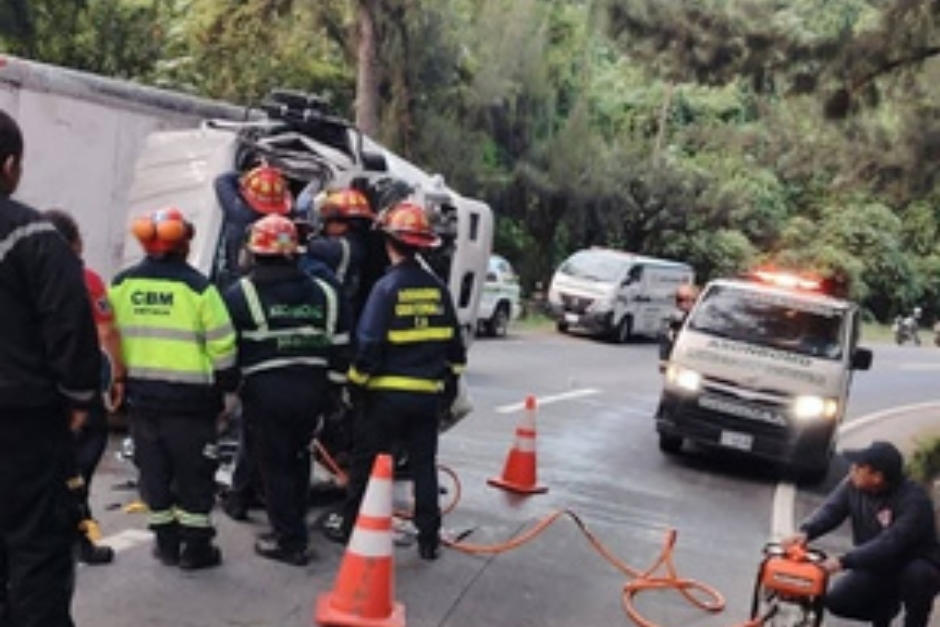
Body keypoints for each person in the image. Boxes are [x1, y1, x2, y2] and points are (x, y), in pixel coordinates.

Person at [0, 110, 100, 626]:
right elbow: (70, 326)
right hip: (23, 426)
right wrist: (80, 398)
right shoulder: (35, 237)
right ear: (10, 164)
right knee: (36, 549)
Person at [330, 202, 466, 560]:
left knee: (366, 463)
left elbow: (369, 346)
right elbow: (456, 348)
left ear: (389, 242)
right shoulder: (438, 290)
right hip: (426, 400)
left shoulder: (386, 289)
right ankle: (429, 540)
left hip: (384, 400)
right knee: (423, 466)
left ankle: (350, 528)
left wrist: (354, 388)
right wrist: (448, 386)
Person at [109, 207, 238, 570]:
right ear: (184, 244)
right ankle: (195, 550)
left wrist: (117, 381)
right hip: (191, 403)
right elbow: (223, 345)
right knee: (194, 476)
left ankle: (166, 545)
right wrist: (228, 387)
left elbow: (108, 333)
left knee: (154, 473)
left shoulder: (121, 285)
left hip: (141, 399)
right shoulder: (199, 289)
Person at [223, 214, 350, 565]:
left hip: (267, 394)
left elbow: (226, 351)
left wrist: (228, 391)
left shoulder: (240, 293)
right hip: (313, 392)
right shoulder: (325, 292)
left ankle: (289, 541)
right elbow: (341, 347)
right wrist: (333, 395)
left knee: (274, 465)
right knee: (297, 459)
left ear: (255, 252)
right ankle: (291, 525)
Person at [782, 441, 940, 627]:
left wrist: (843, 561)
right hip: (875, 564)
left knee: (918, 576)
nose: (852, 469)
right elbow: (832, 510)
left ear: (877, 477)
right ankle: (884, 611)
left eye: (859, 467)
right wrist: (806, 532)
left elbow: (891, 543)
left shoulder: (914, 501)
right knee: (837, 601)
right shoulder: (852, 485)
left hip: (912, 564)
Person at [43, 209, 125, 565]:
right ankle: (76, 537)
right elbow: (106, 332)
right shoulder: (87, 281)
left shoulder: (22, 275)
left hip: (32, 387)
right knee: (78, 466)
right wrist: (119, 376)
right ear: (75, 243)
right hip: (77, 386)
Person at [302, 188, 376, 325]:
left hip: (334, 314)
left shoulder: (340, 247)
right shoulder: (363, 244)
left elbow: (308, 246)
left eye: (327, 221)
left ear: (340, 224)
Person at [214, 164, 293, 288]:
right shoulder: (285, 226)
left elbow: (222, 180)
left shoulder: (238, 213)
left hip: (238, 279)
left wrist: (250, 174)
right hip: (276, 281)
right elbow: (286, 250)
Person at [659, 283, 699, 366]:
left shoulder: (701, 318)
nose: (684, 303)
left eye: (688, 299)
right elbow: (665, 339)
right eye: (680, 300)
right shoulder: (673, 317)